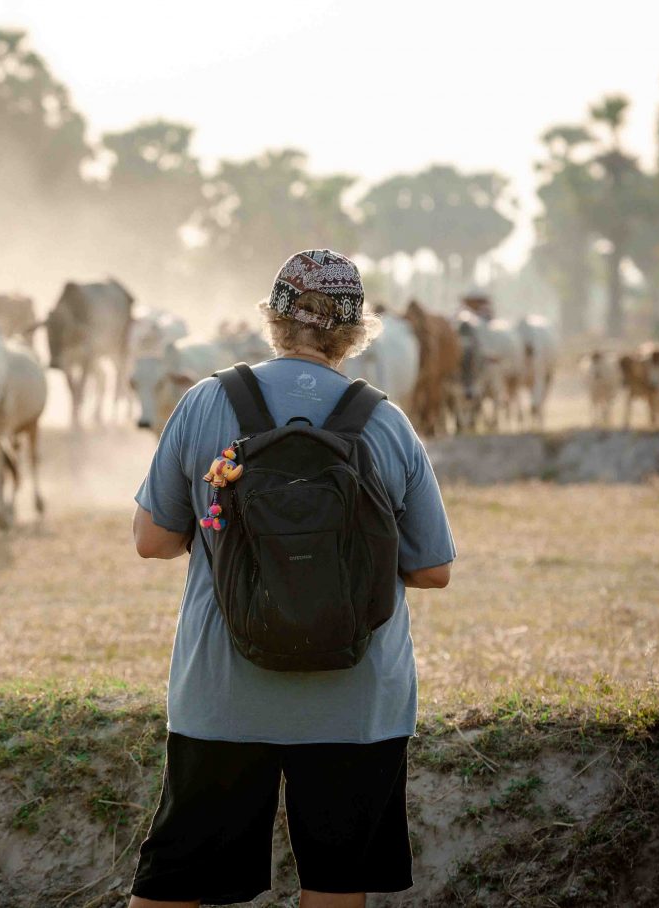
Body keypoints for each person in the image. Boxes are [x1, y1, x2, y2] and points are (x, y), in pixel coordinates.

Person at [129, 249, 456, 908]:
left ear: (275, 319)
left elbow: (152, 540)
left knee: (175, 882)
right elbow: (432, 568)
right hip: (356, 704)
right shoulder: (387, 422)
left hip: (223, 697)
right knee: (335, 885)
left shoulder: (204, 404)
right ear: (354, 330)